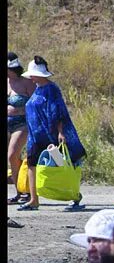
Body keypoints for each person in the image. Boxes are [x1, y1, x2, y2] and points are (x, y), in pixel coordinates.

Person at [18, 58, 86, 212]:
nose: (31, 78)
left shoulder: (52, 89)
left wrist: (61, 132)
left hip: (50, 134)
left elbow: (58, 111)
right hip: (35, 136)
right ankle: (34, 200)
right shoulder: (38, 89)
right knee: (32, 163)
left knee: (62, 165)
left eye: (34, 75)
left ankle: (75, 196)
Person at [8, 52, 38, 203]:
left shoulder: (26, 82)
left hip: (22, 123)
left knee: (12, 154)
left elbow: (36, 103)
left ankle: (24, 190)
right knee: (13, 158)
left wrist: (21, 111)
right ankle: (20, 192)